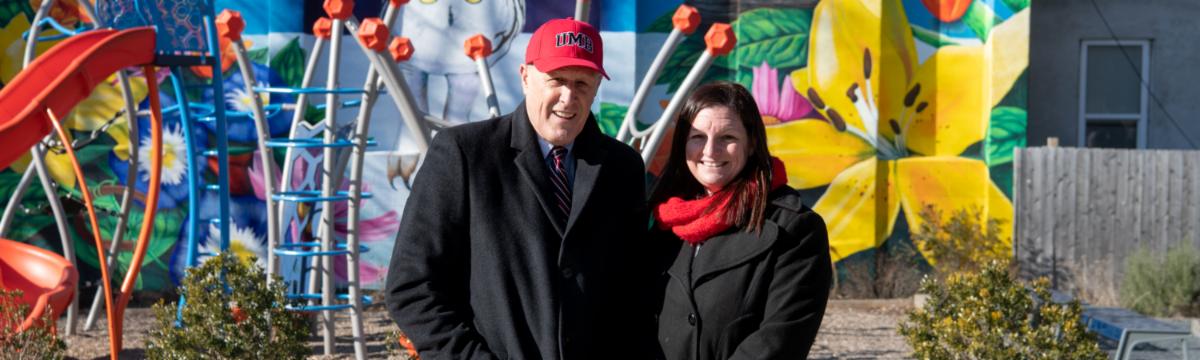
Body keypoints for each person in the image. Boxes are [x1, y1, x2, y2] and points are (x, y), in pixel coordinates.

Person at [384, 18, 654, 360]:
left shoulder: (622, 168)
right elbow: (411, 285)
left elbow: (633, 286)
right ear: (526, 77)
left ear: (597, 87)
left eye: (582, 84)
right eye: (556, 80)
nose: (568, 98)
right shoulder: (465, 154)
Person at [649, 82, 832, 360]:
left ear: (752, 143)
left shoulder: (795, 229)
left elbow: (779, 341)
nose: (711, 151)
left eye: (728, 138)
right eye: (697, 136)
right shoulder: (663, 221)